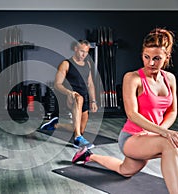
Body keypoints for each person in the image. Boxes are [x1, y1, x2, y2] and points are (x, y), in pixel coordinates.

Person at [72, 28, 178, 194]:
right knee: (169, 144)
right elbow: (132, 114)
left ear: (167, 58)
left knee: (124, 170)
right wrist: (163, 134)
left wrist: (161, 132)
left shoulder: (169, 79)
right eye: (146, 57)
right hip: (132, 138)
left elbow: (172, 111)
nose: (151, 63)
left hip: (152, 137)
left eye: (157, 58)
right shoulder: (133, 78)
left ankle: (88, 156)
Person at [41, 40, 98, 149]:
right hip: (69, 96)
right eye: (82, 51)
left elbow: (90, 84)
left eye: (86, 52)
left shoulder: (88, 64)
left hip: (84, 97)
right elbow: (57, 84)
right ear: (75, 49)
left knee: (80, 128)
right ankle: (77, 138)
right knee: (78, 98)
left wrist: (93, 100)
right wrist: (69, 93)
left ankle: (55, 125)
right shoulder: (66, 64)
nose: (84, 55)